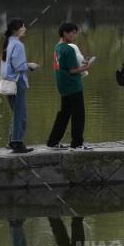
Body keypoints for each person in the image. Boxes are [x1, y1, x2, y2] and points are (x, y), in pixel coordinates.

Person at [47, 21, 92, 150]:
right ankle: (77, 143)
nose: (74, 35)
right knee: (78, 114)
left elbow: (62, 67)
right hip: (74, 85)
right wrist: (86, 67)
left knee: (64, 113)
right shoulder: (69, 49)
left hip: (63, 84)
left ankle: (53, 141)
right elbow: (72, 70)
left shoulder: (58, 47)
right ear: (65, 33)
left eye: (75, 33)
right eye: (72, 33)